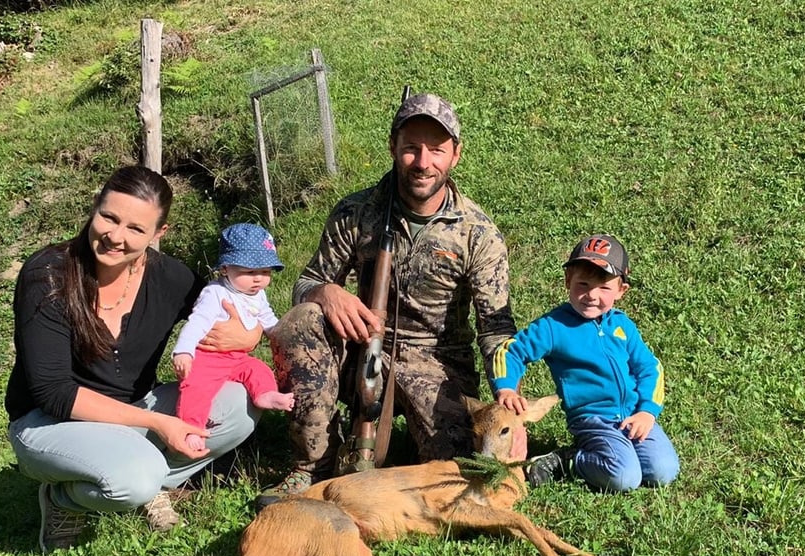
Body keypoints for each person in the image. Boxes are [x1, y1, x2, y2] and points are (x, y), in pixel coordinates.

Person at [267, 92, 517, 495]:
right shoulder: (356, 211)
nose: (423, 162)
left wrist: (508, 399)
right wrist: (327, 293)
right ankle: (312, 464)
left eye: (436, 150)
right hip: (360, 348)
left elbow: (496, 329)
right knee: (301, 322)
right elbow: (306, 283)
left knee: (453, 474)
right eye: (411, 149)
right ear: (392, 148)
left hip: (436, 363)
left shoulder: (478, 232)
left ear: (455, 154)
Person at [6, 166, 262, 553]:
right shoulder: (48, 275)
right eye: (109, 217)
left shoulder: (172, 278)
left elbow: (228, 313)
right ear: (95, 208)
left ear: (159, 234)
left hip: (134, 409)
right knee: (135, 480)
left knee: (239, 405)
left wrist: (250, 333)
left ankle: (142, 472)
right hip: (49, 422)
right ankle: (66, 500)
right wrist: (159, 423)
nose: (115, 236)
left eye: (135, 229)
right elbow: (52, 391)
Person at [491, 234, 680, 492]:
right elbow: (511, 351)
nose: (591, 295)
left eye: (604, 288)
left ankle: (617, 452)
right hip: (594, 420)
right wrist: (507, 387)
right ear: (568, 281)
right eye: (583, 284)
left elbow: (650, 368)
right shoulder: (554, 327)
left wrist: (647, 412)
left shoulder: (622, 325)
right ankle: (567, 461)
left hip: (634, 416)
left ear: (621, 291)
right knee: (624, 477)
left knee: (664, 471)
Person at [173, 223, 294, 452]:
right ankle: (191, 428)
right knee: (195, 388)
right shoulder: (215, 293)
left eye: (265, 272)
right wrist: (184, 351)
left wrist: (280, 334)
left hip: (238, 357)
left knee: (258, 369)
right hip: (209, 358)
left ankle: (265, 395)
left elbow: (267, 317)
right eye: (249, 272)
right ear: (225, 269)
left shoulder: (257, 294)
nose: (258, 279)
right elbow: (197, 322)